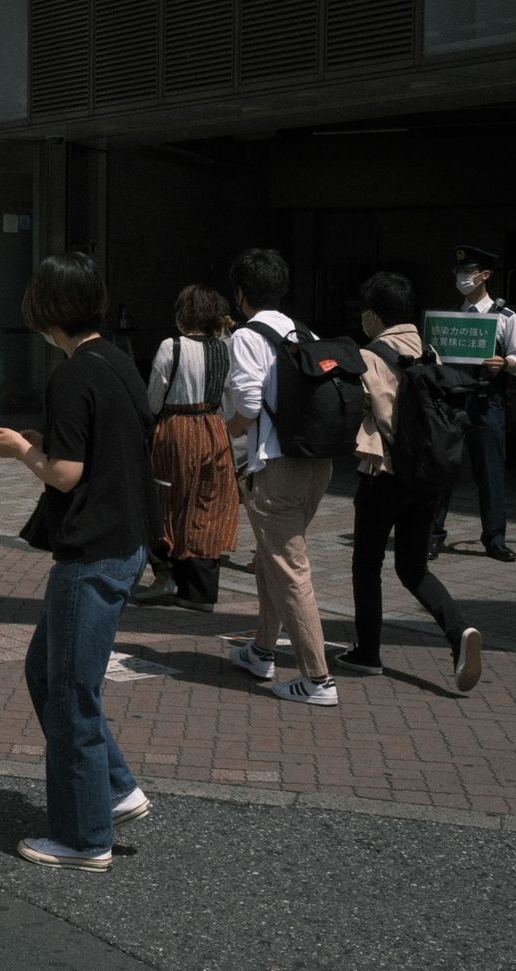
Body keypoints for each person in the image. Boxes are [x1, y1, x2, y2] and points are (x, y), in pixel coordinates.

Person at [0, 252, 156, 873]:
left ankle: (84, 838)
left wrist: (21, 448)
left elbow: (65, 473)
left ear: (45, 309)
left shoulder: (71, 375)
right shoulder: (116, 360)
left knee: (72, 692)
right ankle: (114, 787)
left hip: (92, 551)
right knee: (45, 673)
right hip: (126, 540)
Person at [337, 272, 483, 691]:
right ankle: (459, 632)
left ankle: (367, 653)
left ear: (372, 314)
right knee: (413, 567)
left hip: (384, 475)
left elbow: (363, 413)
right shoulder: (428, 351)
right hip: (427, 475)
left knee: (367, 564)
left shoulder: (369, 356)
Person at [223, 247, 338, 706]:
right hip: (317, 463)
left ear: (240, 293)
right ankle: (262, 650)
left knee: (290, 570)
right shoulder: (301, 330)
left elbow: (248, 405)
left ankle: (317, 680)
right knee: (272, 558)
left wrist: (223, 432)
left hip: (277, 467)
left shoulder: (247, 336)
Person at [131, 284, 240, 612]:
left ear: (184, 313)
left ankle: (166, 575)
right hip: (215, 427)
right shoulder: (226, 347)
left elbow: (153, 399)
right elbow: (232, 394)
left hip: (177, 428)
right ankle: (200, 592)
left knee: (165, 500)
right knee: (208, 505)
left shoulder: (171, 346)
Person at [430, 245, 516, 562]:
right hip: (453, 401)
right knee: (443, 468)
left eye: (468, 272)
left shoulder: (504, 316)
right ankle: (432, 535)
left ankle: (495, 539)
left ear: (485, 275)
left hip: (486, 401)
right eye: (459, 272)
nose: (462, 278)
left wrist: (504, 363)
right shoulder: (450, 320)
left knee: (491, 473)